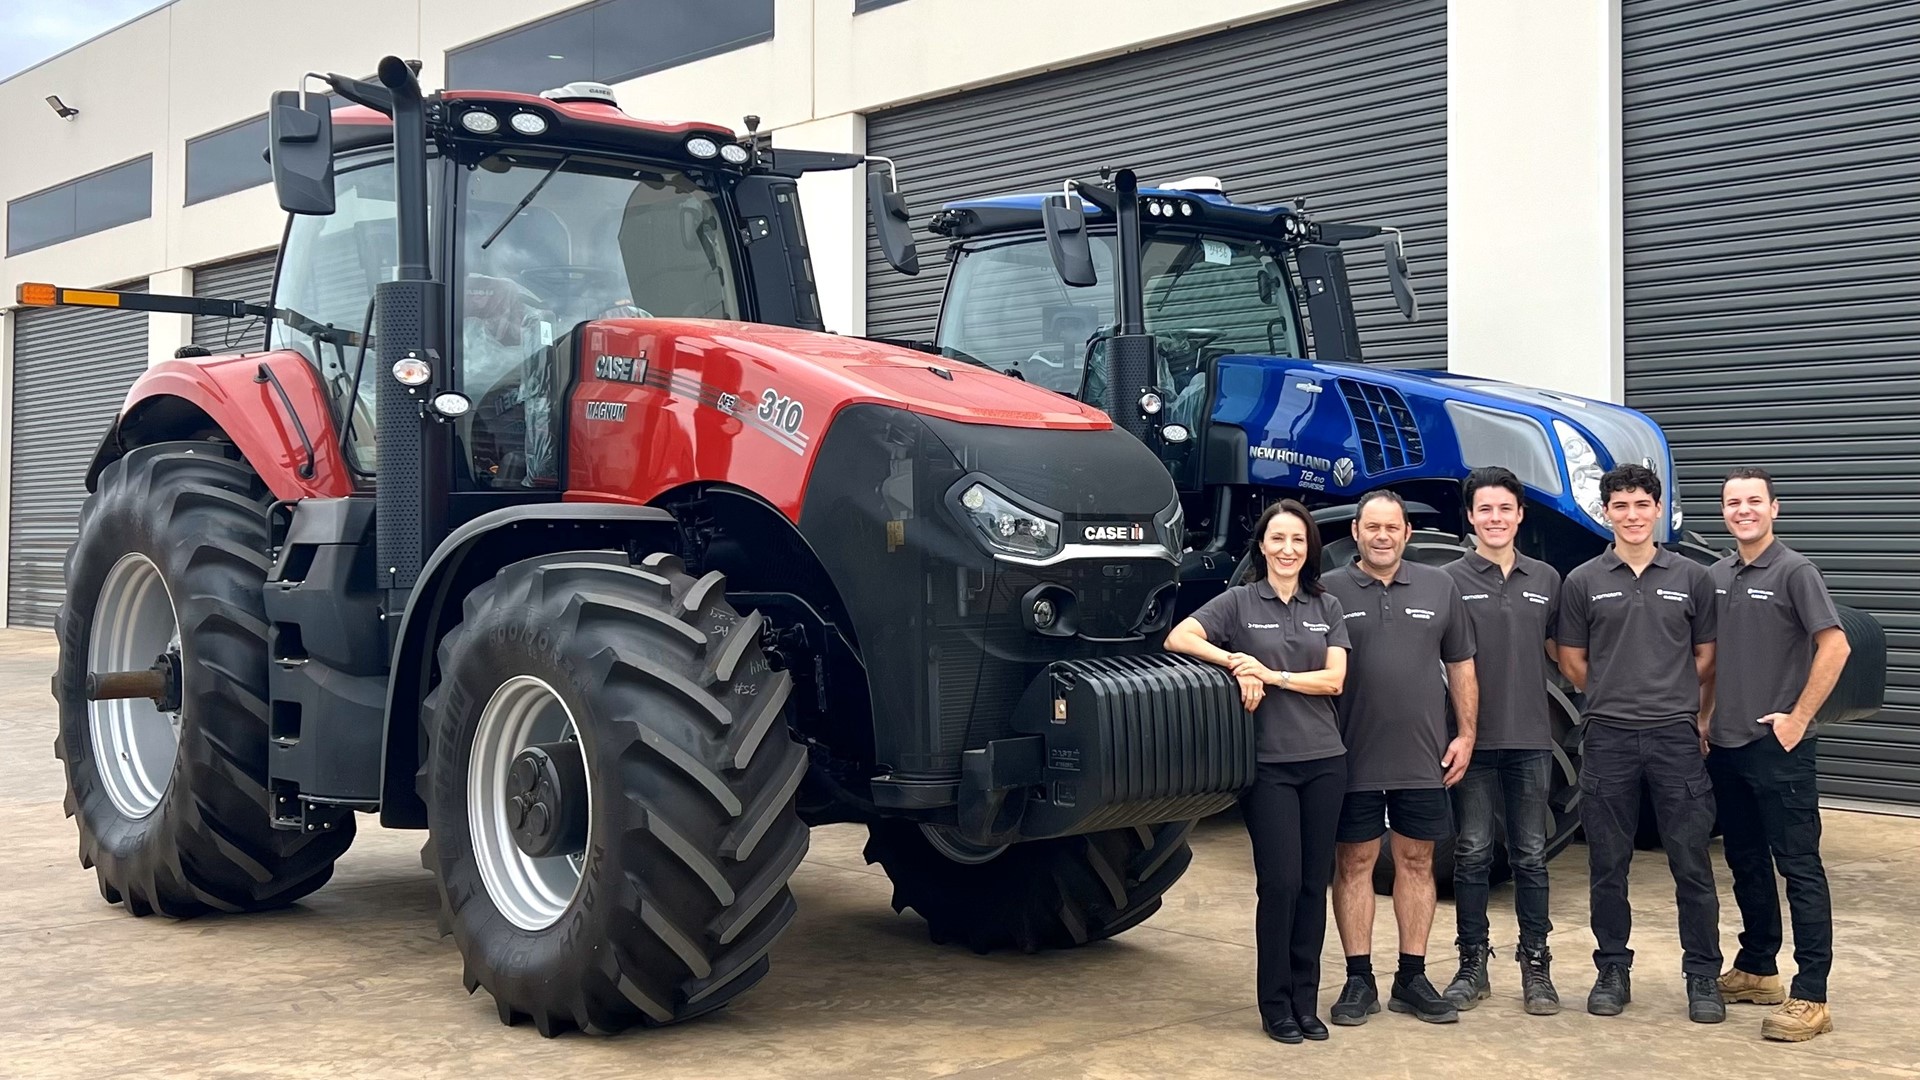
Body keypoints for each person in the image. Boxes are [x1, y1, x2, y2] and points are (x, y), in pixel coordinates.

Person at [1166, 499, 1350, 1044]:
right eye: (1278, 539)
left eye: (1298, 540)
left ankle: (1305, 999)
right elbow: (1179, 638)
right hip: (1268, 766)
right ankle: (1274, 1005)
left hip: (1324, 760)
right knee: (1281, 883)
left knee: (1315, 884)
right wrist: (1235, 664)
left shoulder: (1327, 605)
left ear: (1309, 548)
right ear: (1262, 546)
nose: (1288, 549)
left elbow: (1334, 680)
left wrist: (1272, 675)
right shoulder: (1240, 603)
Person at [1556, 462, 1722, 1023]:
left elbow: (1706, 657)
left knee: (1691, 861)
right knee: (1608, 862)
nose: (1631, 515)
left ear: (1658, 510)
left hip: (1674, 736)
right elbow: (1572, 659)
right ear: (1607, 513)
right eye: (1620, 506)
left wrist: (1673, 700)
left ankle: (1702, 975)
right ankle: (1611, 969)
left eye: (1641, 504)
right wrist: (1612, 691)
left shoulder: (1692, 577)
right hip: (1608, 736)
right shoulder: (1582, 581)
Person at [1321, 489, 1478, 1026]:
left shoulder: (1440, 586)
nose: (1382, 536)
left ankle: (1412, 977)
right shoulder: (1330, 591)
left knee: (1416, 862)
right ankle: (1358, 978)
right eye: (1372, 528)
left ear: (1407, 533)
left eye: (1392, 527)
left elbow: (1460, 665)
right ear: (1356, 534)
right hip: (1352, 755)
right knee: (1354, 864)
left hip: (1423, 757)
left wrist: (1466, 734)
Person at [1708, 467, 1850, 1042]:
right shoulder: (1716, 575)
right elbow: (1713, 658)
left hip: (1778, 748)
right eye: (1733, 503)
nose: (1743, 510)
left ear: (1775, 509)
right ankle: (1757, 967)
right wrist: (1702, 717)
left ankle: (1811, 994)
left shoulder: (1796, 571)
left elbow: (1834, 644)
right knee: (1744, 860)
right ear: (1723, 512)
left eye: (1754, 501)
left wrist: (1799, 717)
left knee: (1799, 868)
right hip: (1726, 743)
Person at [1441, 466, 1563, 1015]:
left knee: (1532, 856)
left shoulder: (1547, 580)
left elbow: (1569, 654)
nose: (1495, 518)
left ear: (1520, 515)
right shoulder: (1447, 581)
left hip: (1532, 739)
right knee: (1471, 853)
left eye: (1504, 509)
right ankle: (1472, 965)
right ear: (1470, 517)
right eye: (1484, 509)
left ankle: (1536, 966)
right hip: (1471, 744)